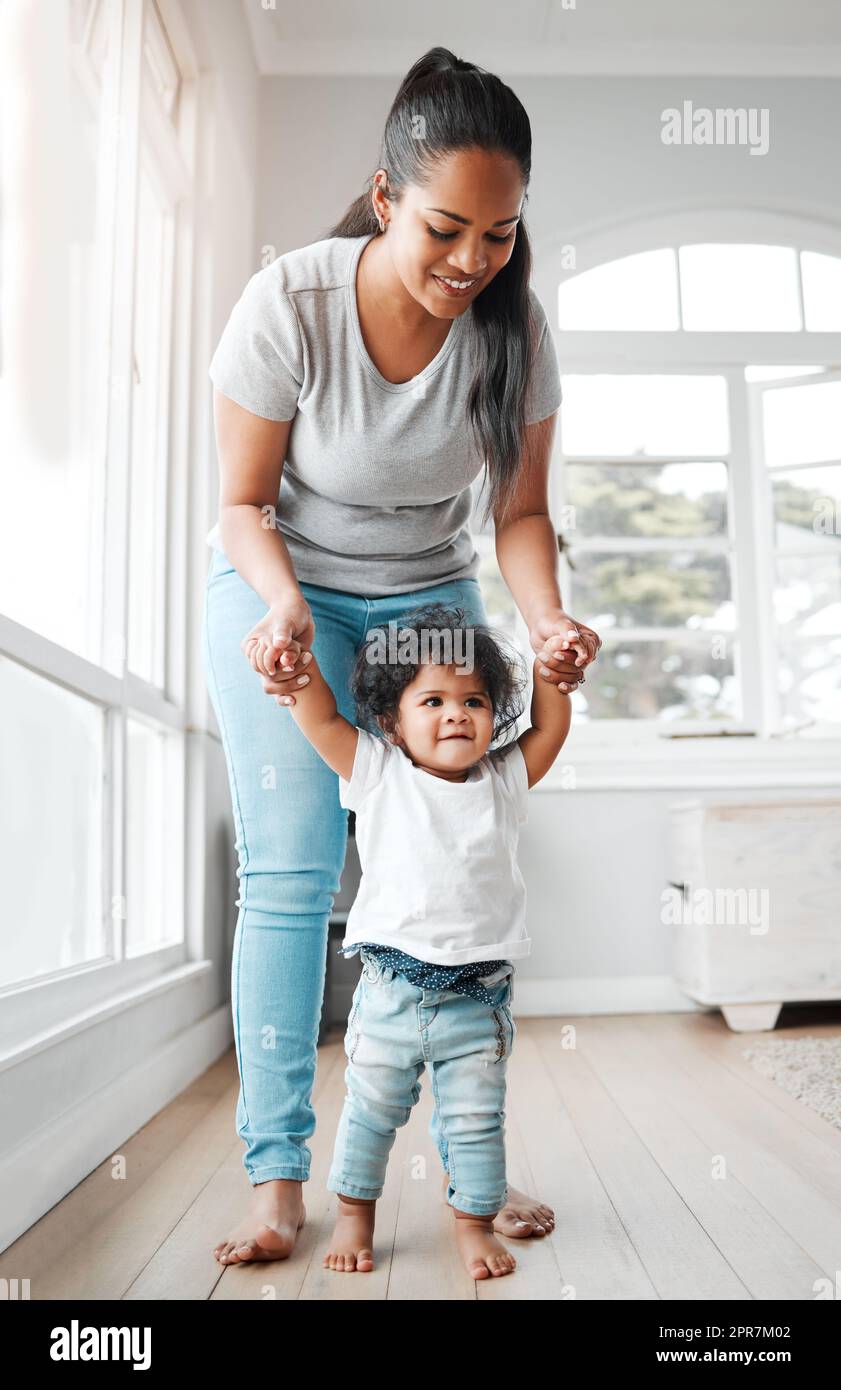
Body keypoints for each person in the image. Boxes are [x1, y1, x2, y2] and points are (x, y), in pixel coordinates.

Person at [202, 45, 601, 1268]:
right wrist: (277, 608)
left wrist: (541, 620)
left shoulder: (509, 328)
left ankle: (470, 1168)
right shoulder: (293, 304)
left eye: (498, 232)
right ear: (385, 199)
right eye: (445, 229)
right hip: (287, 584)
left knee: (452, 850)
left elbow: (518, 518)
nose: (471, 262)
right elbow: (241, 503)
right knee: (293, 876)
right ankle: (280, 1176)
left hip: (429, 593)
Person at [273, 602, 571, 1278]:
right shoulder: (376, 772)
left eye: (473, 700)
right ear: (390, 721)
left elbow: (549, 724)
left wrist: (553, 668)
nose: (456, 713)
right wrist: (296, 672)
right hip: (391, 996)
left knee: (476, 1122)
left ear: (495, 714)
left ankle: (470, 1223)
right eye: (432, 700)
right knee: (371, 1114)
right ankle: (353, 1216)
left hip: (479, 1000)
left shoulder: (504, 780)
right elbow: (319, 718)